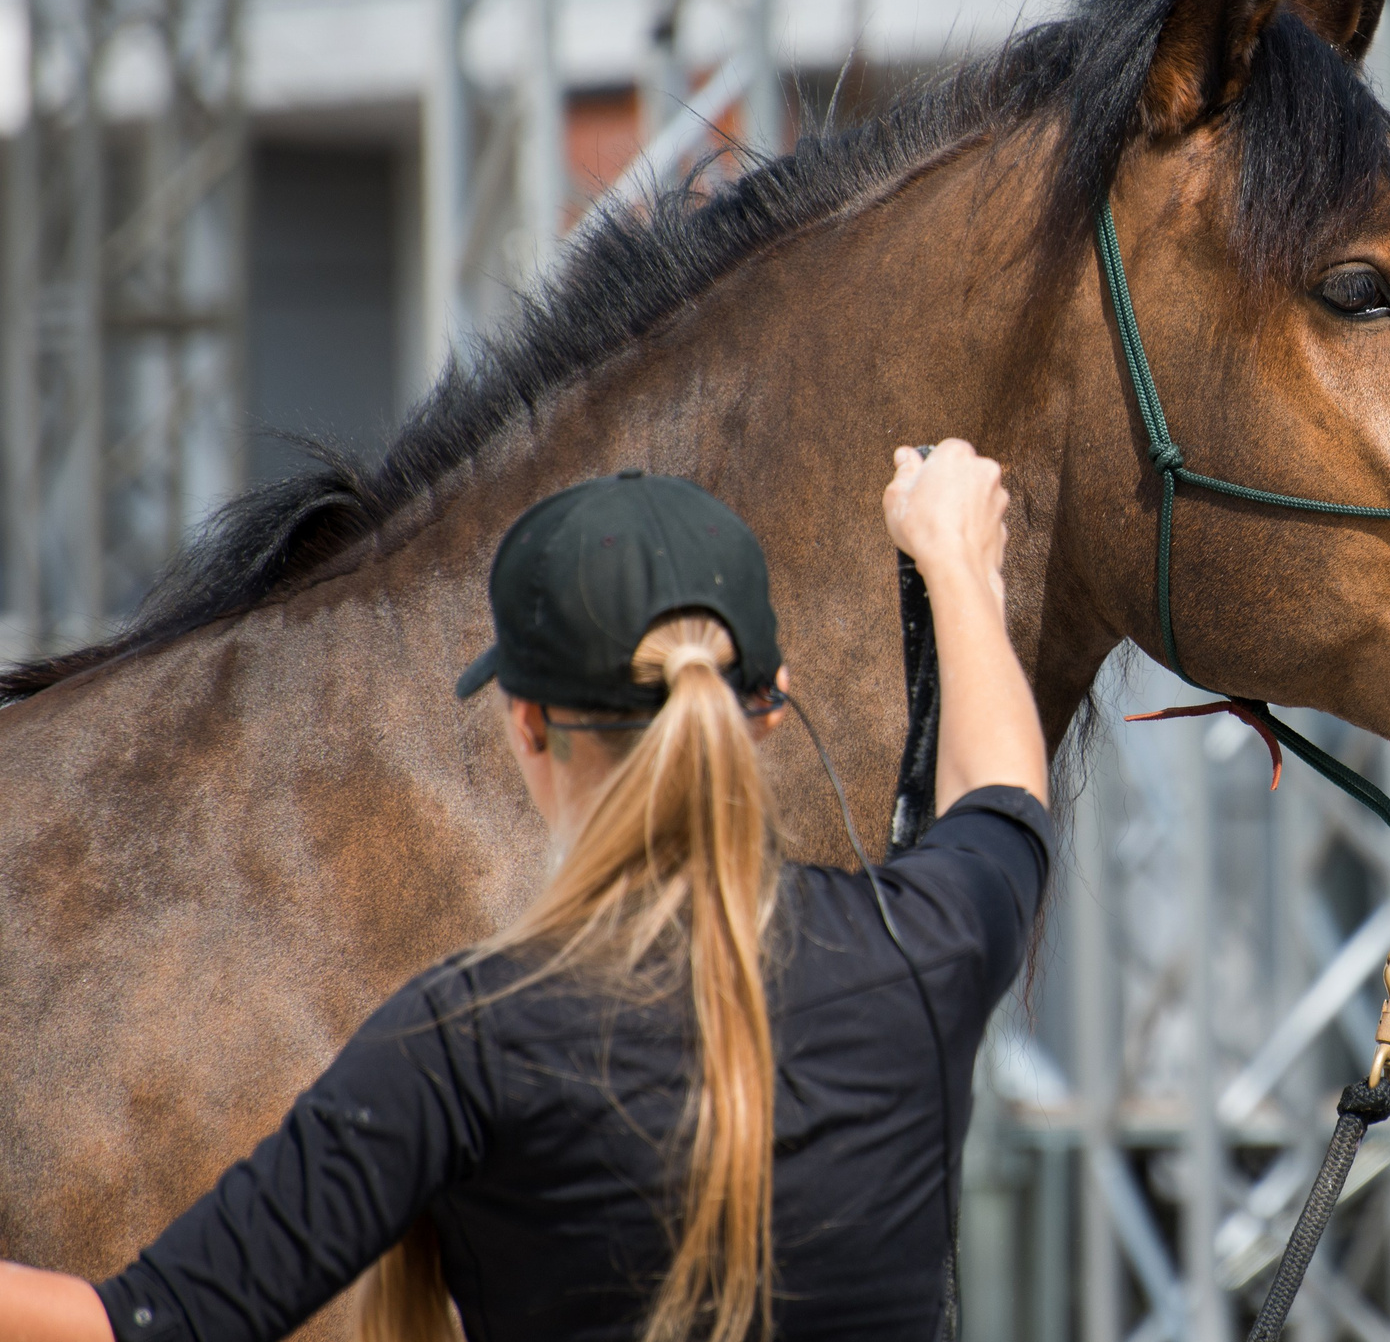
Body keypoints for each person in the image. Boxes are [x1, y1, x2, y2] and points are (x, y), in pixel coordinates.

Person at [0, 443, 1049, 1342]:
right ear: (770, 710)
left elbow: (141, 1324)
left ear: (526, 727)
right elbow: (1001, 801)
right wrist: (955, 563)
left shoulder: (462, 1041)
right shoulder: (928, 952)